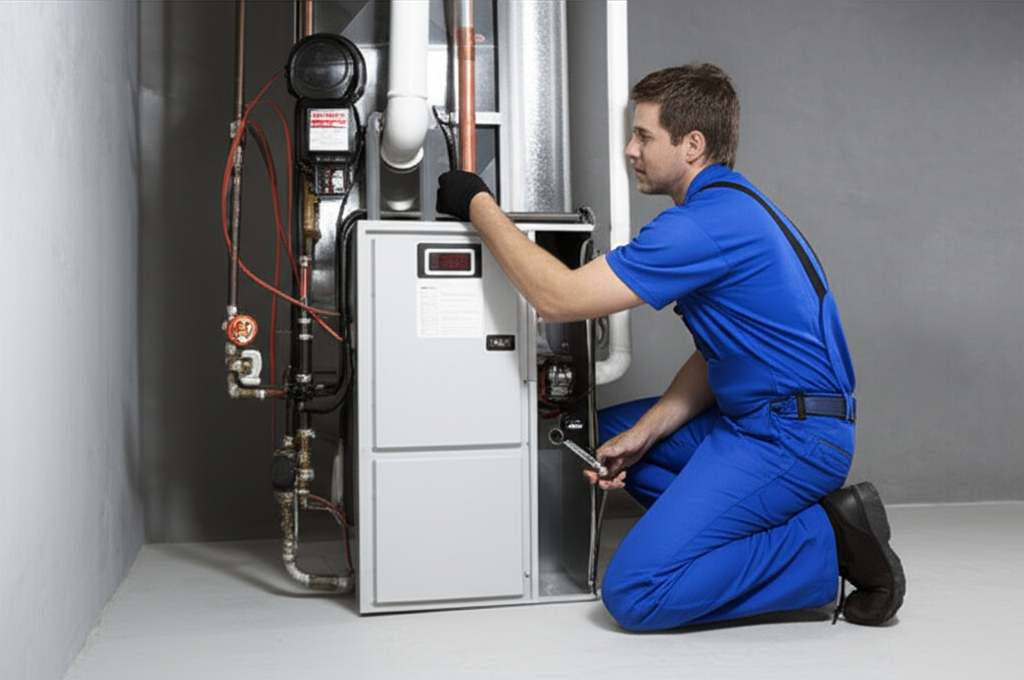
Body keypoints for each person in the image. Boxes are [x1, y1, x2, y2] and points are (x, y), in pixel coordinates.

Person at [436, 63, 905, 631]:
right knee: (599, 438)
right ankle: (737, 526)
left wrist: (478, 203)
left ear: (692, 145)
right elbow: (718, 355)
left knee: (636, 593)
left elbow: (558, 297)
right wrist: (645, 433)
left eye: (644, 136)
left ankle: (826, 543)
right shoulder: (736, 205)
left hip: (793, 439)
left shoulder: (703, 226)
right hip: (753, 421)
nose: (630, 149)